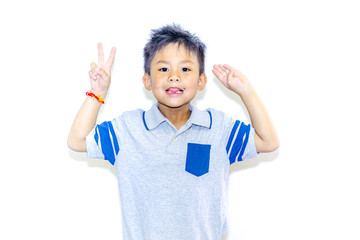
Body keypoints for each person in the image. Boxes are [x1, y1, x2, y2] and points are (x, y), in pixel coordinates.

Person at [67, 24, 279, 240]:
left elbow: (268, 141)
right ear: (147, 81)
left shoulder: (219, 128)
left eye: (185, 69)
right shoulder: (127, 129)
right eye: (163, 69)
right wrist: (97, 92)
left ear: (201, 81)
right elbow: (78, 140)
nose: (174, 76)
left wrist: (247, 92)